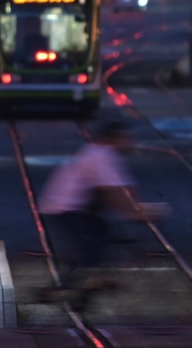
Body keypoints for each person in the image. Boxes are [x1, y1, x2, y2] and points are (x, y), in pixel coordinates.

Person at [38, 117, 139, 296]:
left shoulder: (103, 154)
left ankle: (86, 278)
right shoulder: (101, 155)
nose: (129, 143)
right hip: (64, 206)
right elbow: (113, 191)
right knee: (91, 241)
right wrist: (132, 212)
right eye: (125, 138)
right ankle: (68, 285)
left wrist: (133, 207)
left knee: (98, 234)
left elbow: (123, 187)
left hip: (73, 206)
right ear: (113, 138)